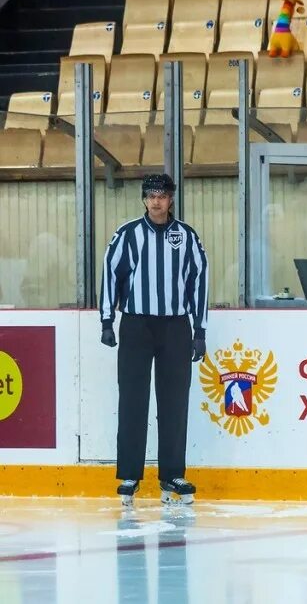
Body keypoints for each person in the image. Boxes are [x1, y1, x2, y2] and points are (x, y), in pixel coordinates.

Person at [100, 173, 209, 508]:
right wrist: (107, 321)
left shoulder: (187, 236)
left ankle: (172, 473)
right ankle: (130, 474)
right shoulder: (128, 234)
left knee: (174, 401)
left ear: (171, 198)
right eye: (151, 195)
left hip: (176, 327)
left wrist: (199, 330)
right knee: (132, 399)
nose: (156, 201)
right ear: (144, 199)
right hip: (136, 325)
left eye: (162, 195)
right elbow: (110, 272)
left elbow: (199, 280)